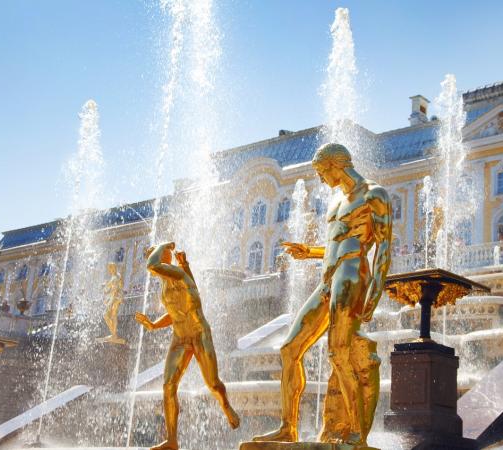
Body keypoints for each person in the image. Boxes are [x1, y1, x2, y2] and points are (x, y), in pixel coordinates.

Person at [252, 143, 392, 446]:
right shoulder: (337, 201)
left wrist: (375, 293)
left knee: (338, 352)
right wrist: (309, 252)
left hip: (352, 274)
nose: (320, 179)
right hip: (328, 278)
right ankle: (287, 427)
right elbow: (334, 244)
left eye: (321, 172)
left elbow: (383, 247)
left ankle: (357, 433)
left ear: (335, 165)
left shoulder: (374, 194)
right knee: (289, 349)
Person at [136, 242, 239, 450]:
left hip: (199, 334)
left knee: (213, 383)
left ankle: (226, 405)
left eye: (155, 253)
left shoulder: (178, 274)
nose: (151, 257)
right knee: (168, 386)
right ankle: (172, 440)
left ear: (165, 255)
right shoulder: (165, 284)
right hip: (180, 338)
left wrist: (164, 244)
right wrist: (154, 325)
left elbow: (152, 265)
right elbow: (174, 313)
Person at [99, 262, 126, 344]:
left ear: (113, 268)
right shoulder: (115, 276)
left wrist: (110, 302)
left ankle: (114, 335)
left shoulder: (116, 277)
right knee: (110, 315)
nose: (109, 270)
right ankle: (113, 334)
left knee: (110, 315)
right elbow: (111, 287)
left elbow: (115, 291)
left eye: (110, 268)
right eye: (109, 268)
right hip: (115, 298)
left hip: (115, 299)